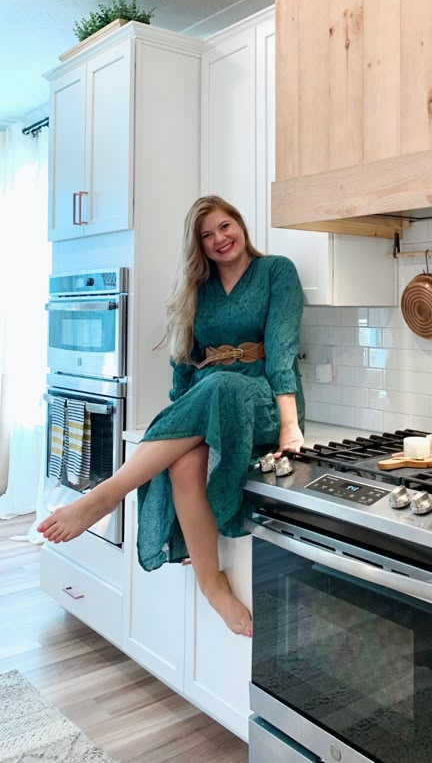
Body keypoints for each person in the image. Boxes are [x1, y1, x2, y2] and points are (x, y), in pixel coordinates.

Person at [38, 195, 305, 636]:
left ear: (239, 224)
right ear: (198, 246)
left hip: (262, 400)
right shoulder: (197, 291)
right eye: (207, 235)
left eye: (224, 226)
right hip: (209, 401)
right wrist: (178, 418)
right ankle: (212, 584)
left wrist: (290, 425)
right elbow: (184, 363)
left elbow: (280, 350)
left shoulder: (277, 271)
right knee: (183, 462)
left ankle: (106, 494)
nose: (220, 238)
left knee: (219, 384)